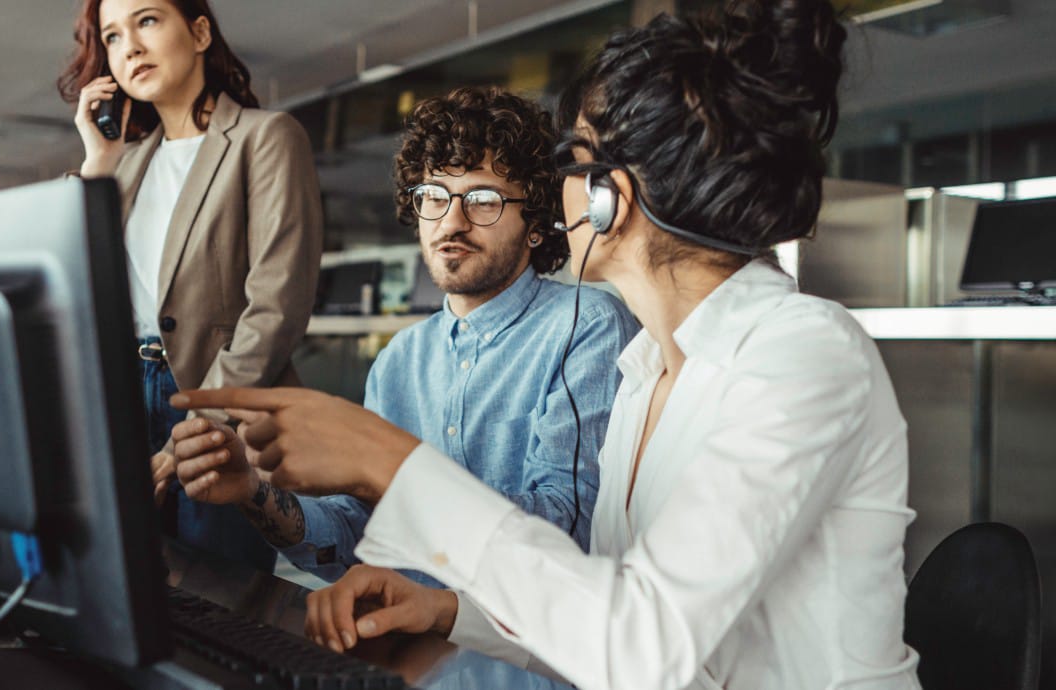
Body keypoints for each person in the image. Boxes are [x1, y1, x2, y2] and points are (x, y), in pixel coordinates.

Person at [173, 1, 924, 688]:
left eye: (575, 158)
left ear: (608, 197)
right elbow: (598, 615)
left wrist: (386, 462)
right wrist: (446, 616)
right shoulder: (645, 373)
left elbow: (644, 647)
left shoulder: (801, 355)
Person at [169, 87, 639, 583]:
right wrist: (253, 491)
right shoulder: (400, 359)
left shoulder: (584, 326)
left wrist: (386, 467)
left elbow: (566, 532)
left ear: (537, 224)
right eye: (434, 196)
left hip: (518, 656)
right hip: (407, 654)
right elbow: (358, 539)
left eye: (482, 200)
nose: (451, 222)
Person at [57, 0, 322, 568]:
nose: (128, 45)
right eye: (112, 36)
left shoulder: (265, 137)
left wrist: (201, 427)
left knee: (222, 603)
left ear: (199, 32)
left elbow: (276, 306)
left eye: (146, 20)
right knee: (126, 586)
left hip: (222, 402)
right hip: (124, 400)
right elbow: (69, 286)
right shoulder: (122, 166)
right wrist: (97, 160)